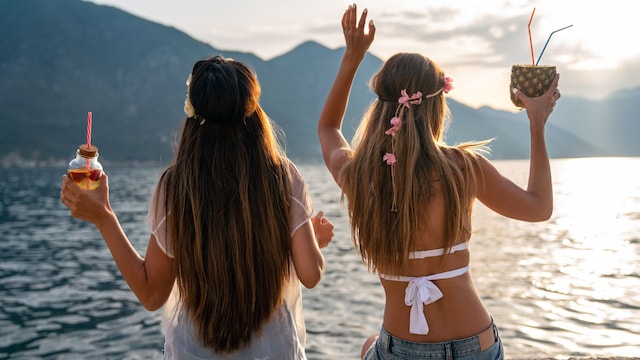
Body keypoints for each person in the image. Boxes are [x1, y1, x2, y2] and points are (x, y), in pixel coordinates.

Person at [317, 4, 560, 360]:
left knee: (370, 345)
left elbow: (328, 129)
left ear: (382, 105)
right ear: (438, 104)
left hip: (400, 348)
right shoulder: (462, 168)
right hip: (474, 346)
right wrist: (536, 123)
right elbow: (539, 208)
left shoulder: (359, 174)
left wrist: (353, 57)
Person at [60, 55, 334, 359]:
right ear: (253, 111)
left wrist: (104, 217)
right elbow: (310, 274)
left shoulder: (176, 187)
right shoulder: (283, 176)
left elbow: (152, 294)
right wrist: (310, 241)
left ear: (194, 114)